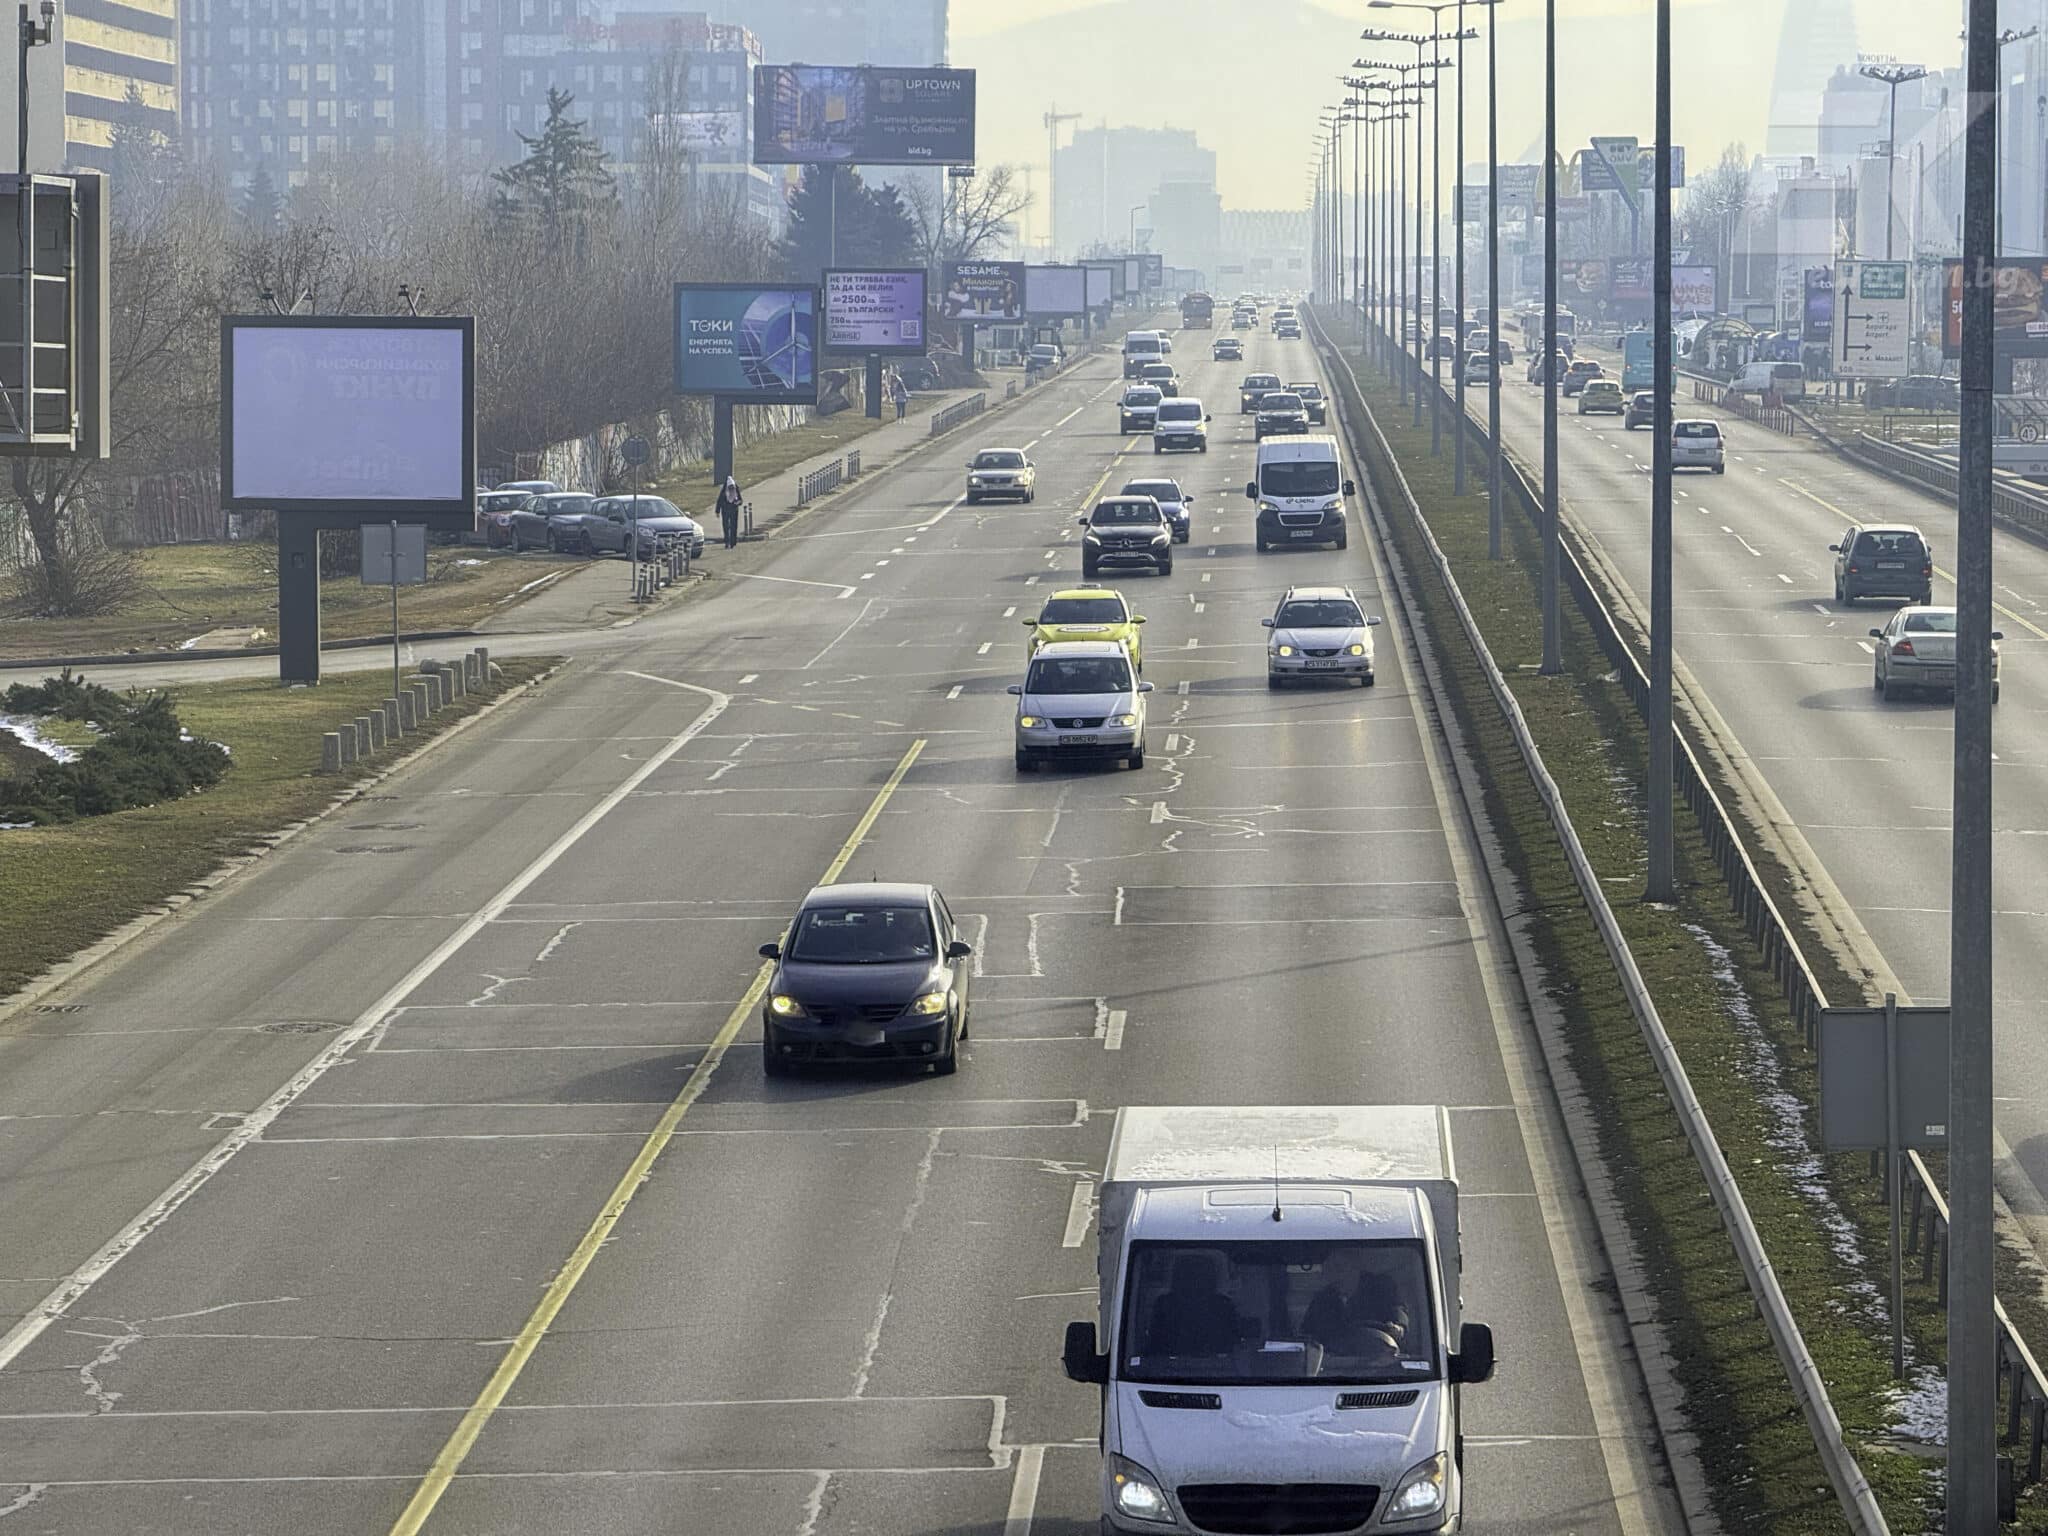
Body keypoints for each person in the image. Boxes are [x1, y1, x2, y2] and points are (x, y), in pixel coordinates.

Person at [716, 475, 743, 550]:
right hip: (725, 510)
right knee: (726, 526)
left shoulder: (736, 489)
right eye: (730, 487)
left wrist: (738, 502)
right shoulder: (724, 492)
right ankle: (727, 542)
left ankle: (733, 542)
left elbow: (740, 500)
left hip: (734, 510)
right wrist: (717, 511)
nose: (731, 489)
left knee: (734, 526)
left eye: (732, 487)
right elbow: (719, 501)